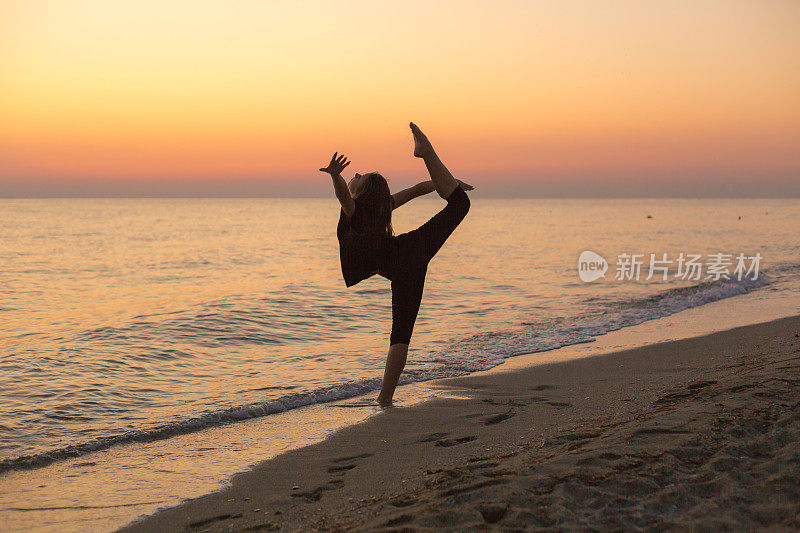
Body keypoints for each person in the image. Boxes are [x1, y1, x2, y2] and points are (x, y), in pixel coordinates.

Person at [319, 123, 472, 406]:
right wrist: (450, 183)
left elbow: (343, 194)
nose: (354, 174)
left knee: (400, 335)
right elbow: (416, 190)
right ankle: (384, 398)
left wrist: (336, 177)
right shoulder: (377, 208)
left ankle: (385, 399)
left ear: (360, 192)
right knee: (460, 205)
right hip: (412, 254)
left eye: (358, 176)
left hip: (404, 261)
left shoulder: (356, 209)